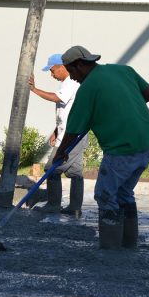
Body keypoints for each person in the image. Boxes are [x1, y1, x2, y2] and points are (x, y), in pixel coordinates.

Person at [53, 46, 149, 249]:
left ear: (80, 65)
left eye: (72, 71)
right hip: (144, 141)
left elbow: (73, 131)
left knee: (106, 195)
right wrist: (122, 105)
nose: (72, 78)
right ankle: (128, 244)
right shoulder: (124, 70)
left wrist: (60, 152)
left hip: (121, 148)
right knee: (124, 193)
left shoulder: (88, 88)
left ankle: (110, 249)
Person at [29, 53, 89, 216]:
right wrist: (57, 130)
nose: (52, 74)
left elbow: (57, 98)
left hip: (72, 136)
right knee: (74, 172)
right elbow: (68, 111)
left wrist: (34, 90)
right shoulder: (68, 83)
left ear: (62, 67)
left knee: (51, 169)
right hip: (73, 133)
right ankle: (75, 207)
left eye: (53, 70)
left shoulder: (71, 82)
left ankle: (53, 204)